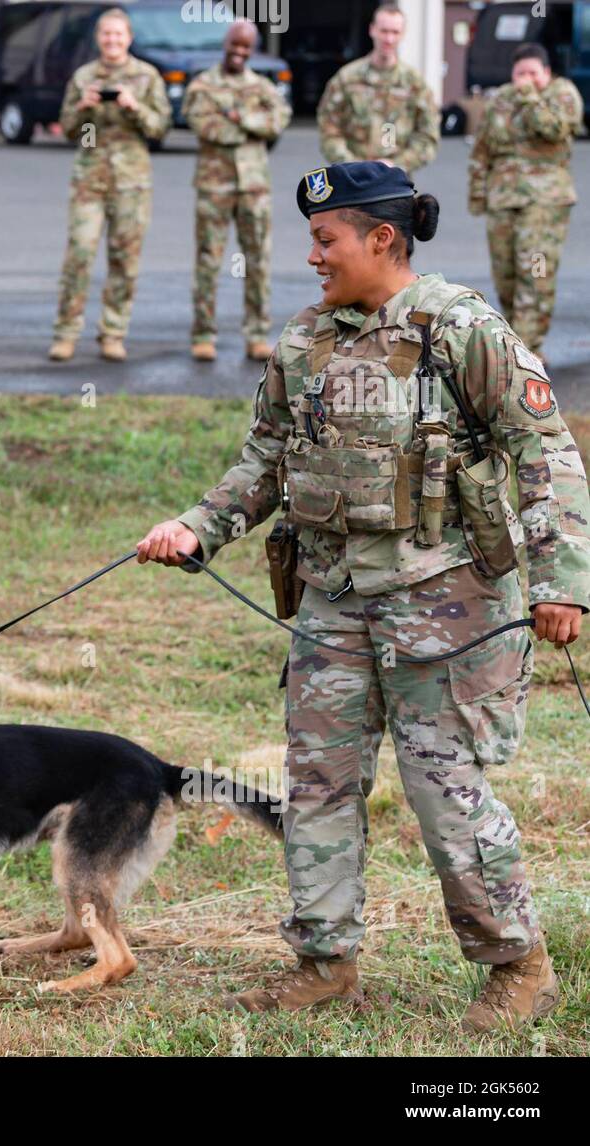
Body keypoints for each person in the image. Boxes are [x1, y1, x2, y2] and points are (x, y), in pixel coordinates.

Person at [137, 161, 590, 1032]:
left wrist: (562, 581)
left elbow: (546, 453)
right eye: (312, 240)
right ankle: (323, 960)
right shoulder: (309, 338)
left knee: (442, 791)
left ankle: (517, 965)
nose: (313, 257)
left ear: (382, 239)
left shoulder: (463, 331)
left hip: (447, 606)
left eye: (326, 239)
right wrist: (200, 524)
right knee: (316, 785)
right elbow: (264, 458)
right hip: (333, 600)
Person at [48, 7, 170, 364]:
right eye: (106, 34)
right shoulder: (84, 76)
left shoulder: (146, 76)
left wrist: (134, 107)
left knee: (124, 260)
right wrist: (84, 106)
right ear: (97, 38)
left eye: (118, 35)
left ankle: (113, 333)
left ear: (129, 38)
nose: (112, 41)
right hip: (89, 180)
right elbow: (67, 128)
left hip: (131, 183)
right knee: (79, 255)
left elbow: (161, 127)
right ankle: (66, 333)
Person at [183, 19, 291, 364]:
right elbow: (202, 125)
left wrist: (239, 117)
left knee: (258, 261)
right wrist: (250, 129)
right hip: (214, 186)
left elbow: (278, 121)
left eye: (246, 47)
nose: (239, 53)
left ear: (253, 49)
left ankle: (257, 334)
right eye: (234, 45)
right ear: (225, 43)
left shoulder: (261, 86)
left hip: (254, 187)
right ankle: (203, 334)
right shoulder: (203, 85)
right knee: (208, 261)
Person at [468, 42, 581, 361]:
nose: (526, 79)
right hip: (503, 199)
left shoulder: (562, 94)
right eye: (520, 74)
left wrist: (530, 98)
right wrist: (478, 192)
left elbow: (554, 129)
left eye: (533, 73)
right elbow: (482, 149)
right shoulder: (500, 99)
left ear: (546, 72)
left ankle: (527, 350)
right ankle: (516, 339)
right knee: (505, 273)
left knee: (534, 271)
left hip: (546, 200)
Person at [317, 4, 439, 174]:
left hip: (396, 183)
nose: (389, 39)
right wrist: (353, 165)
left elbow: (428, 136)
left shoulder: (415, 84)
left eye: (395, 32)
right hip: (354, 179)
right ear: (372, 30)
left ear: (403, 34)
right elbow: (328, 129)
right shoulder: (347, 79)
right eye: (384, 31)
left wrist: (398, 164)